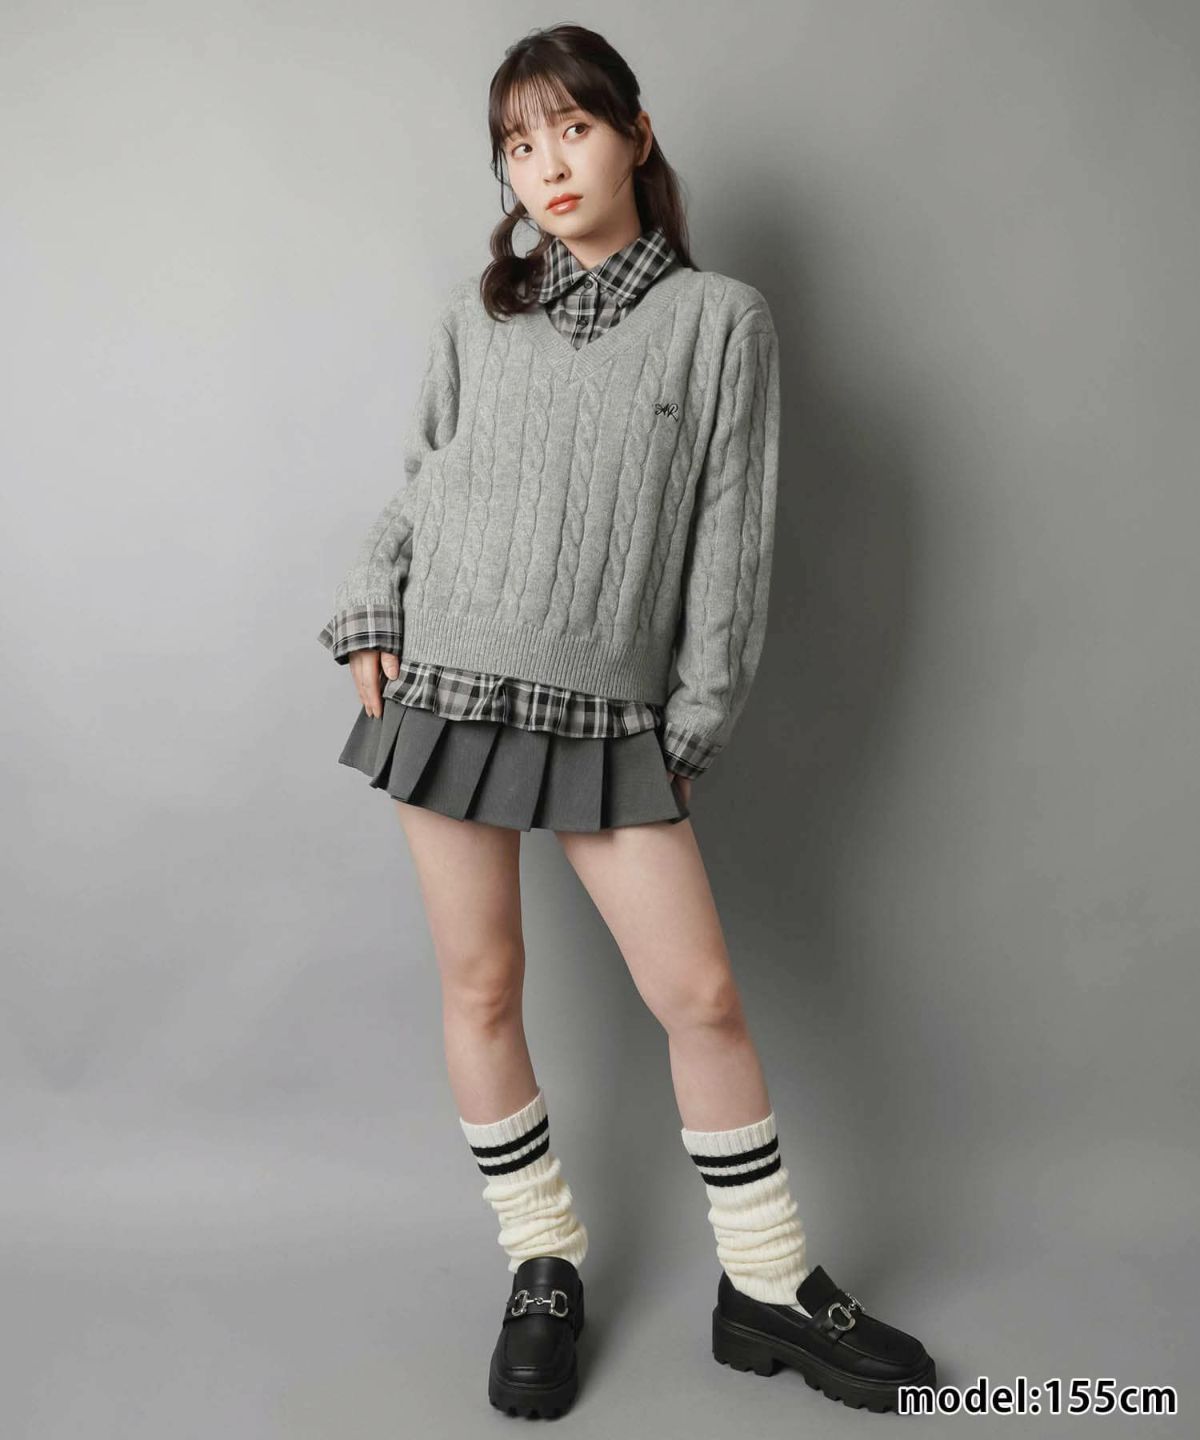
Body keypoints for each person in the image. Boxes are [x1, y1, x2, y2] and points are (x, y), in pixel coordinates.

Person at [318, 21, 936, 1419]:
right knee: (482, 987)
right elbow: (422, 482)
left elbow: (731, 538)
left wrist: (695, 722)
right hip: (446, 686)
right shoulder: (477, 318)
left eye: (573, 129)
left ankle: (764, 1282)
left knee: (700, 997)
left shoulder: (721, 322)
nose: (547, 165)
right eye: (518, 144)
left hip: (607, 711)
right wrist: (368, 603)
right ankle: (542, 1259)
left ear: (636, 135)